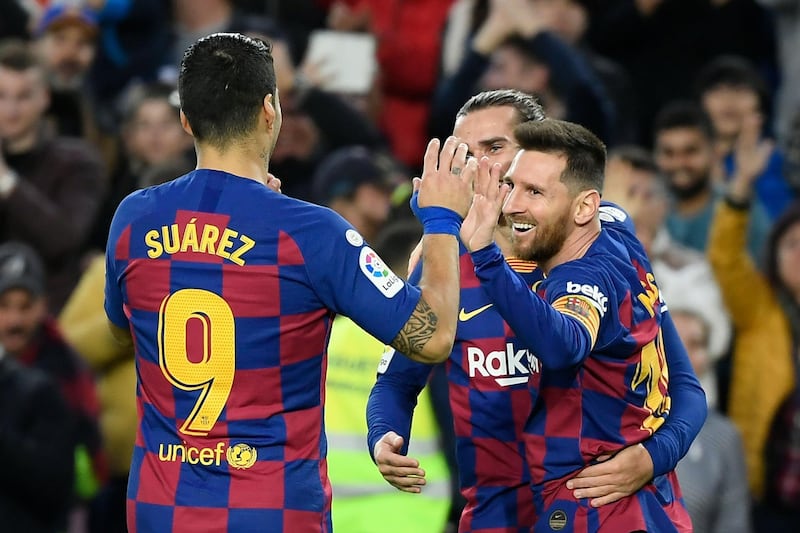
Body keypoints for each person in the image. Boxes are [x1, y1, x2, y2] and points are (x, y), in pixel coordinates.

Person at [103, 32, 469, 532]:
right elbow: (434, 338)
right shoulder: (310, 234)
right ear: (270, 111)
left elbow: (124, 331)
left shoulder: (132, 219)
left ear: (186, 119)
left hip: (161, 511)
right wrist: (444, 222)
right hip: (273, 512)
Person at [368, 90, 706, 532]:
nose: (479, 167)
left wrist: (653, 457)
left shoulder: (605, 239)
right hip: (496, 516)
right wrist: (384, 437)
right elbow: (395, 381)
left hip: (601, 509)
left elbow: (682, 385)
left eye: (494, 148)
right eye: (464, 154)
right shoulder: (442, 270)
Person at [458, 118, 698, 531]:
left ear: (584, 207)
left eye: (534, 192)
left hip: (594, 510)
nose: (513, 204)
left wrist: (485, 257)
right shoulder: (618, 229)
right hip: (655, 506)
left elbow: (564, 342)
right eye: (512, 185)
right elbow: (687, 386)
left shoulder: (582, 280)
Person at [708, 134, 800, 532]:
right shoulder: (759, 309)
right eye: (792, 244)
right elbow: (725, 257)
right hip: (769, 494)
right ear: (775, 255)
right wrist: (741, 184)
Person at [672, 306, 752, 533]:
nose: (684, 353)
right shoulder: (618, 421)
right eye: (674, 341)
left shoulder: (725, 437)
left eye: (696, 344)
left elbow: (734, 524)